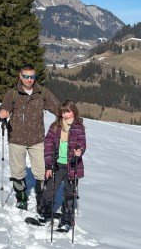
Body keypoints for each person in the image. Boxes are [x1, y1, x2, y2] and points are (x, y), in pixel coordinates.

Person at [0, 64, 60, 211]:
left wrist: (72, 120)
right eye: (26, 76)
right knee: (17, 172)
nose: (29, 79)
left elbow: (58, 109)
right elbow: (2, 109)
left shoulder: (42, 93)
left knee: (42, 172)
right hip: (16, 140)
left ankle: (41, 199)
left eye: (32, 76)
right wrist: (2, 114)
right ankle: (22, 198)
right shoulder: (12, 94)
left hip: (37, 140)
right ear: (20, 76)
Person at [38, 99, 86, 231]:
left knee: (69, 193)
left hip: (72, 166)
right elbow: (48, 145)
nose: (66, 115)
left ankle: (66, 219)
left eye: (68, 112)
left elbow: (82, 143)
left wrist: (79, 150)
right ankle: (45, 213)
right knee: (50, 189)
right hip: (57, 165)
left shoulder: (79, 127)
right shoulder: (55, 126)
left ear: (73, 111)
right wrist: (48, 165)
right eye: (63, 112)